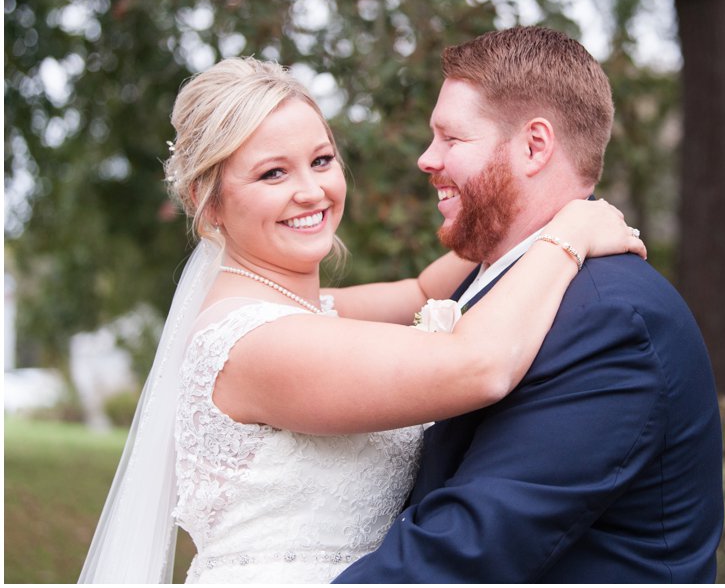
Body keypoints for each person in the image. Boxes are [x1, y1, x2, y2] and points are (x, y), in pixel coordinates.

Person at [78, 56, 645, 584]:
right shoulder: (251, 344)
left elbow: (423, 289)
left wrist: (529, 209)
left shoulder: (307, 311)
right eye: (273, 173)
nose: (312, 191)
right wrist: (569, 233)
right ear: (210, 198)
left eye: (321, 160)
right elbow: (478, 366)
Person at [334, 26, 724, 583]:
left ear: (534, 146)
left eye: (451, 138)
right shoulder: (491, 283)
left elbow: (465, 553)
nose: (426, 159)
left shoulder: (609, 318)